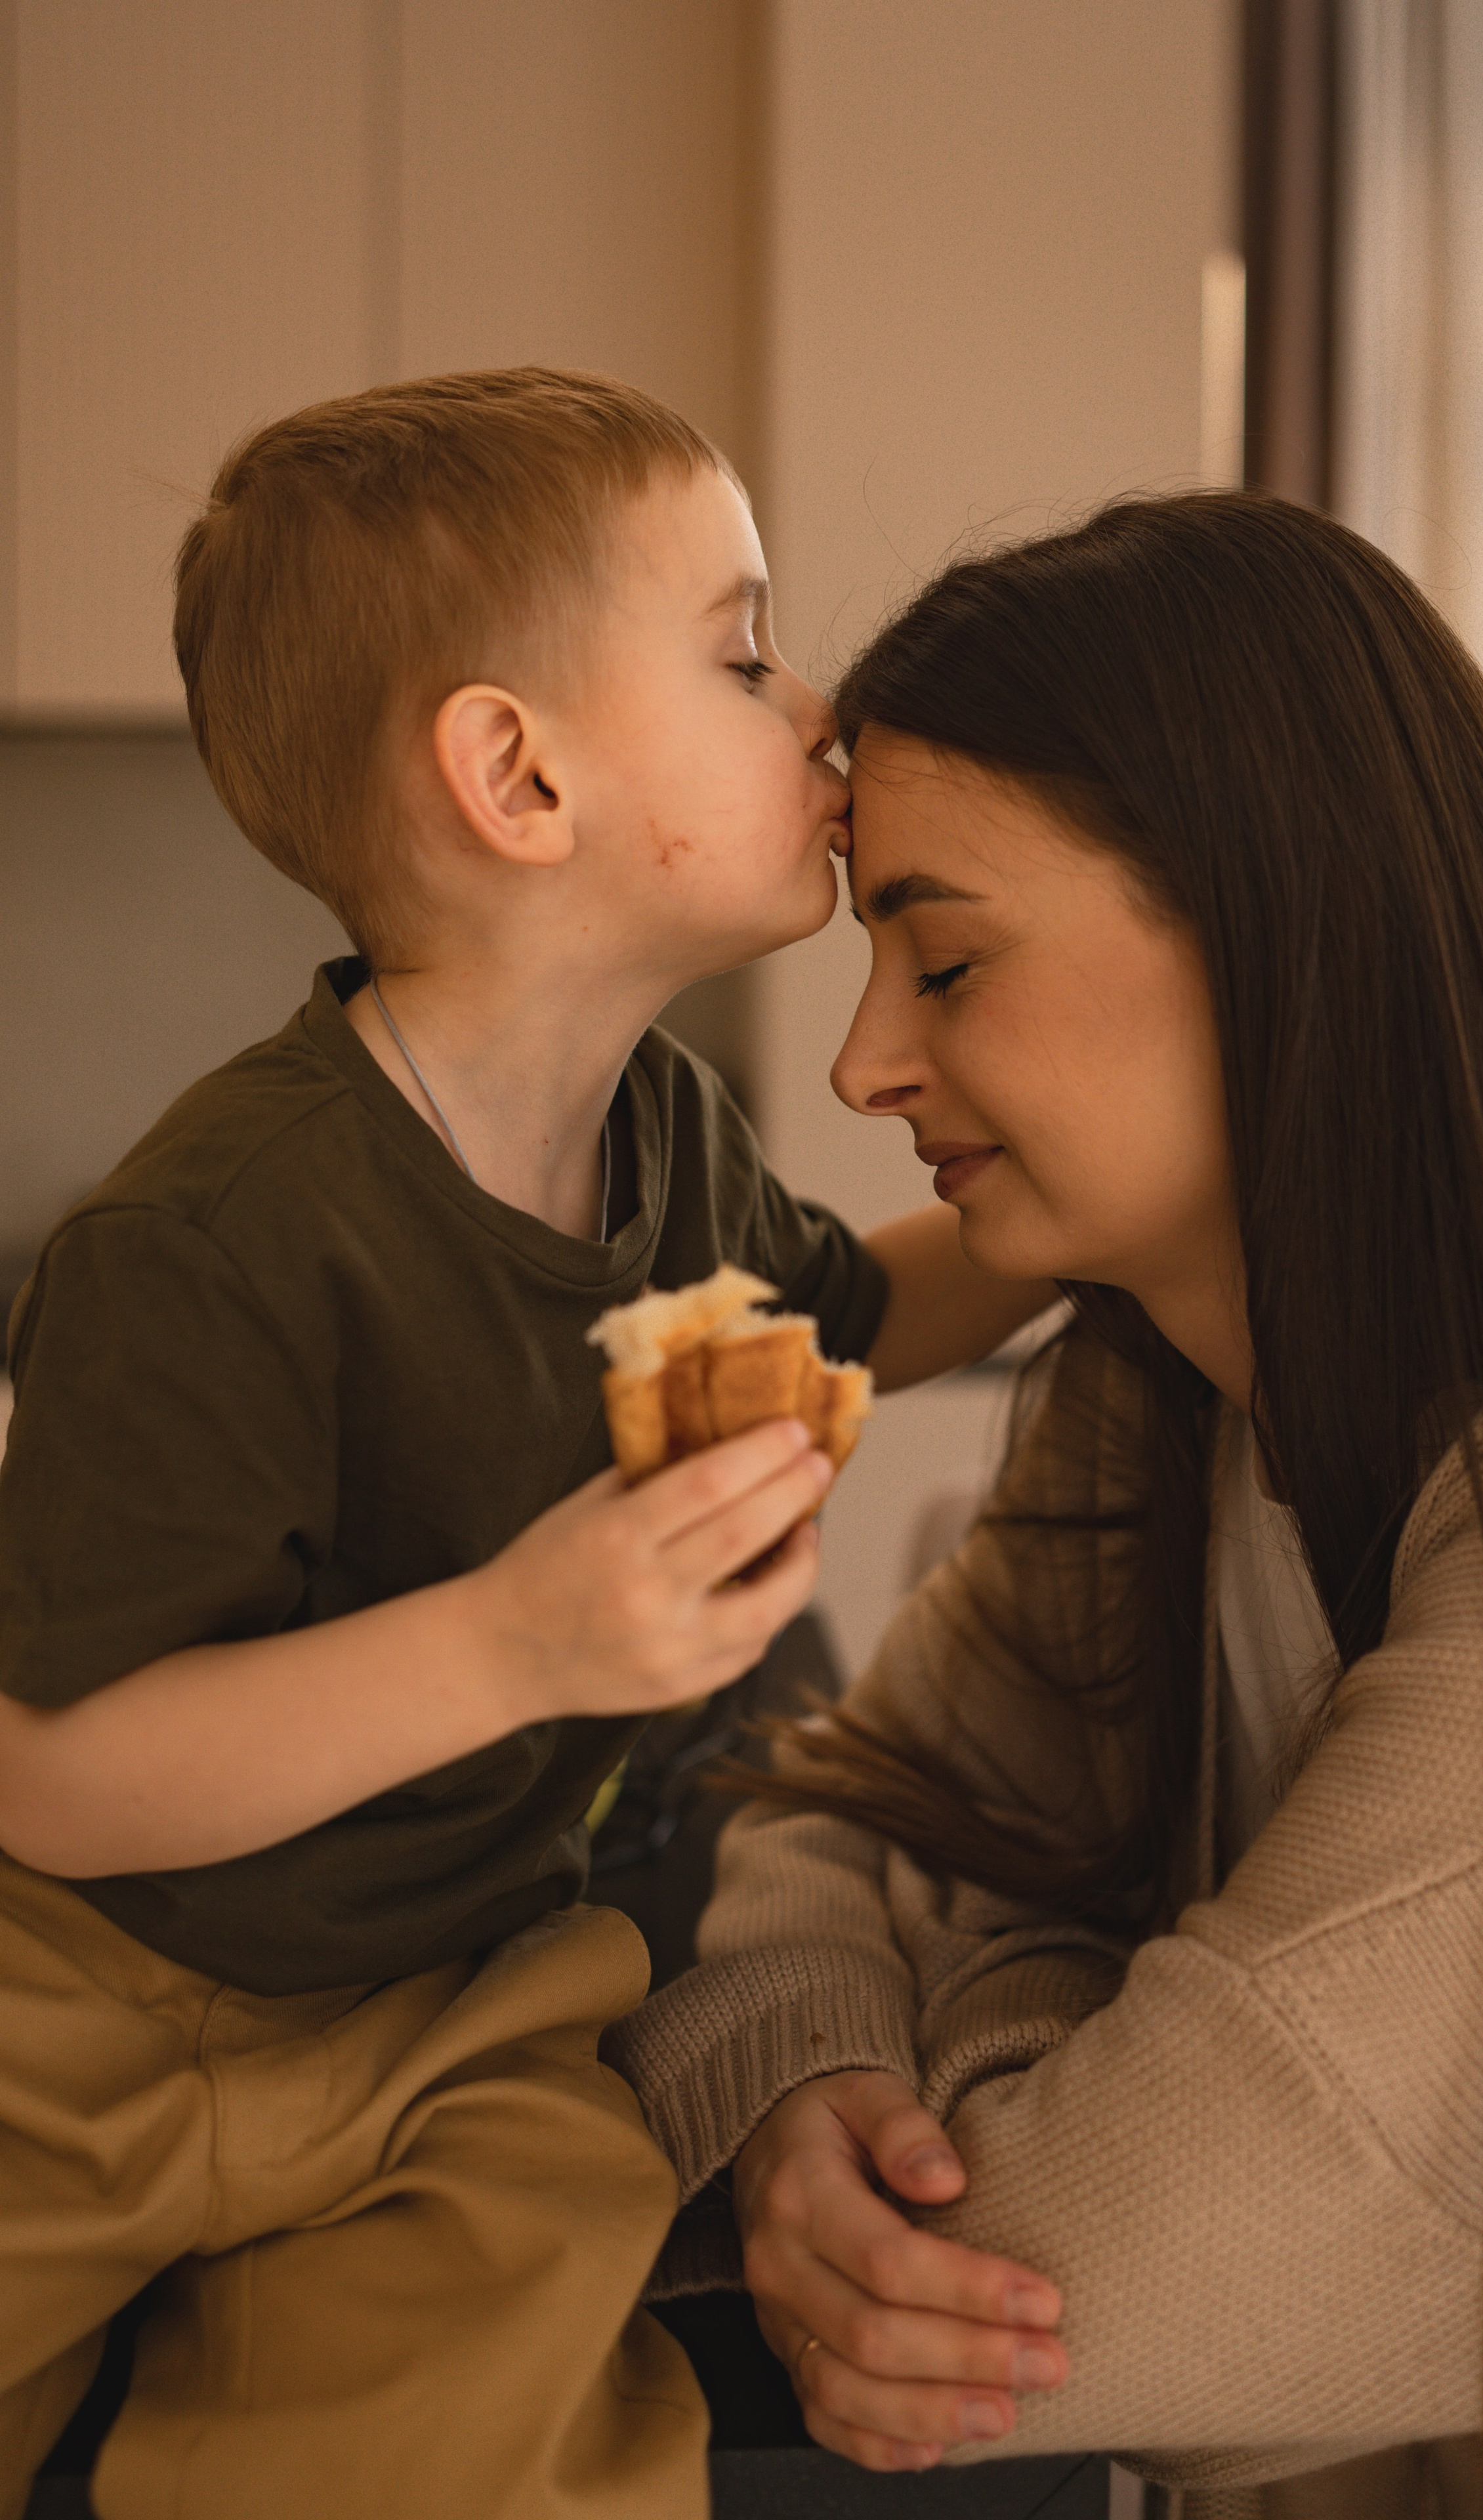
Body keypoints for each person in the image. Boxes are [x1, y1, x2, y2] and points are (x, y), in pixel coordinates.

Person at [0, 369, 1049, 2520]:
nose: (822, 710)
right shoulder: (215, 1233)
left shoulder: (671, 1137)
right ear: (517, 775)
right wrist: (517, 1646)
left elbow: (860, 1316)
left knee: (515, 2416)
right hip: (81, 2013)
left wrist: (1101, 1202)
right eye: (746, 656)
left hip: (448, 2014)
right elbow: (57, 1773)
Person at [608, 492, 1483, 2519]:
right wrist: (817, 2061)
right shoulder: (1158, 1398)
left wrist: (1006, 1974)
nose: (861, 1066)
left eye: (945, 959)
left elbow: (1048, 2277)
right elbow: (840, 1803)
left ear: (1278, 930)